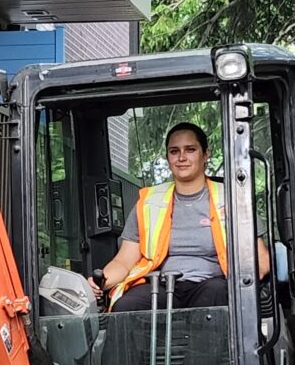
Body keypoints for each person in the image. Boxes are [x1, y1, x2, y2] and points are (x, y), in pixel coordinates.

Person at [89, 122, 270, 311]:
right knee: (127, 304)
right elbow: (124, 261)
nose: (181, 157)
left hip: (213, 283)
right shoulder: (149, 202)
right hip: (161, 286)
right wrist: (100, 281)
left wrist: (245, 281)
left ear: (205, 154)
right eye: (174, 151)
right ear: (168, 158)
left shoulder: (232, 199)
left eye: (190, 149)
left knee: (216, 293)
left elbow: (261, 260)